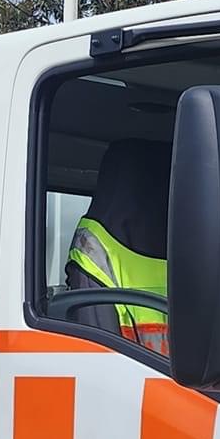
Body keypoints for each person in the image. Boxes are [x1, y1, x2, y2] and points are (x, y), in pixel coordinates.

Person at [65, 140, 172, 354]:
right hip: (138, 381)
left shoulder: (196, 246)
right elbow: (99, 358)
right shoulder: (96, 254)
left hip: (165, 382)